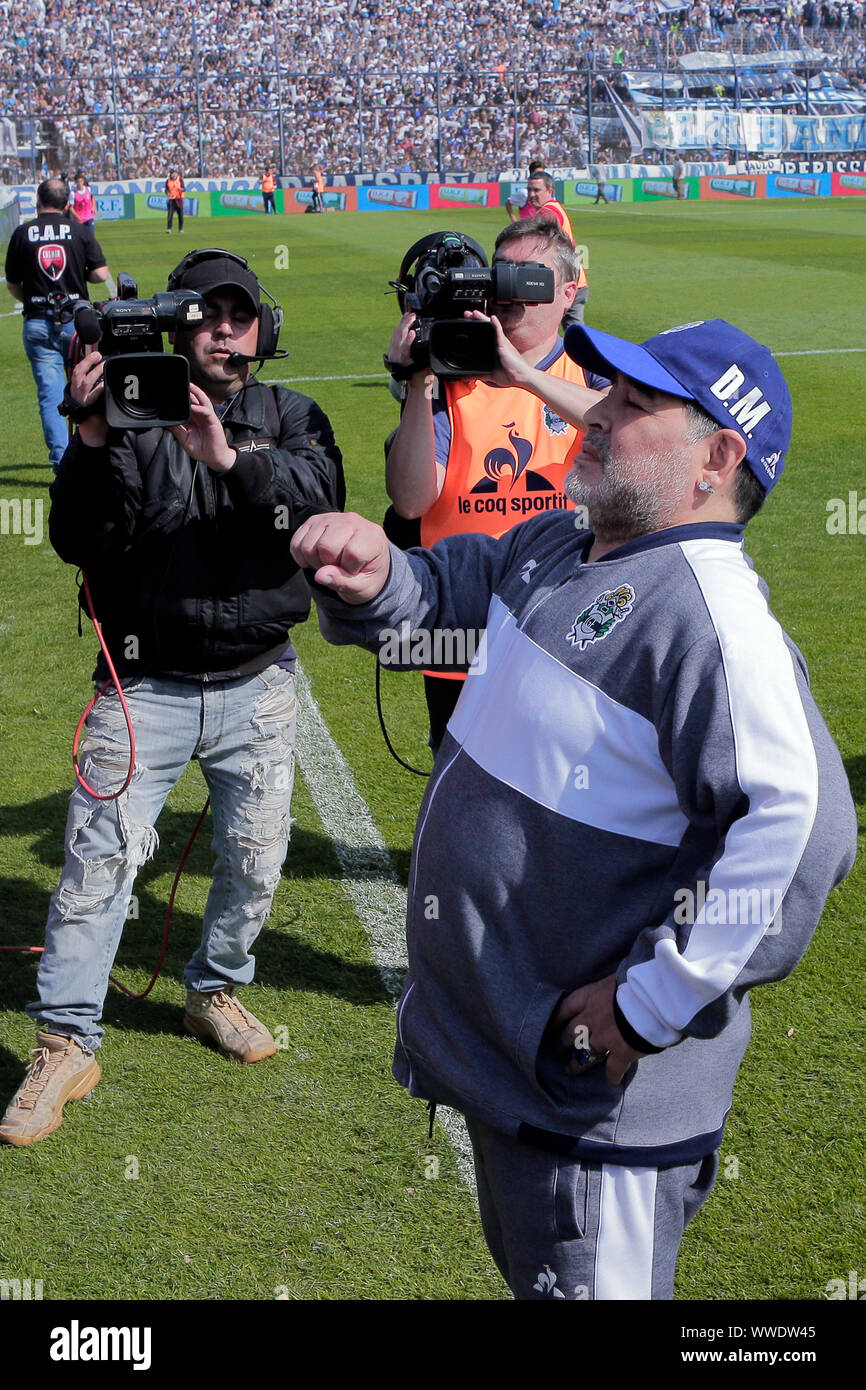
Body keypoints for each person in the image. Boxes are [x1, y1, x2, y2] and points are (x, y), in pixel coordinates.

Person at [291, 318, 857, 1300]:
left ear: (714, 458)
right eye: (604, 391)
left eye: (634, 405)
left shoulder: (708, 616)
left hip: (597, 1126)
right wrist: (381, 577)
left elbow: (802, 828)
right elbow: (445, 594)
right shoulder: (561, 540)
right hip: (514, 1080)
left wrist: (647, 1003)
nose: (593, 413)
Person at [0, 250, 345, 1148]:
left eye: (239, 314)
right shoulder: (125, 413)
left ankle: (214, 989)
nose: (224, 330)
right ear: (178, 328)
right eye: (205, 315)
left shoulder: (293, 417)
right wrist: (86, 431)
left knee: (257, 858)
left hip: (258, 680)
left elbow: (309, 516)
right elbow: (78, 539)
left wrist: (228, 458)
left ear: (262, 328)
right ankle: (65, 1042)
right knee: (95, 867)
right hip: (141, 684)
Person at [383, 215, 607, 750]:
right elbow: (412, 499)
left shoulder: (595, 366)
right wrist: (417, 383)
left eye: (526, 278)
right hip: (464, 614)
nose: (508, 292)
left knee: (567, 771)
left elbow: (626, 430)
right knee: (462, 767)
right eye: (500, 275)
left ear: (569, 289)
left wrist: (526, 377)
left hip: (565, 609)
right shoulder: (452, 379)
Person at [4, 177, 110, 472]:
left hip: (38, 321)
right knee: (90, 387)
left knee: (51, 394)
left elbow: (13, 283)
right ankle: (96, 454)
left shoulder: (23, 232)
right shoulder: (79, 230)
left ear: (38, 202)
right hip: (78, 323)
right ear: (67, 204)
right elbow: (101, 275)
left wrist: (31, 297)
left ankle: (62, 463)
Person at [523, 171, 590, 324]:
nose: (531, 194)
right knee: (573, 334)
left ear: (550, 191)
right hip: (572, 281)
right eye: (529, 190)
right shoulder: (555, 207)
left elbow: (533, 246)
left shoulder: (547, 212)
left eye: (536, 190)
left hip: (565, 283)